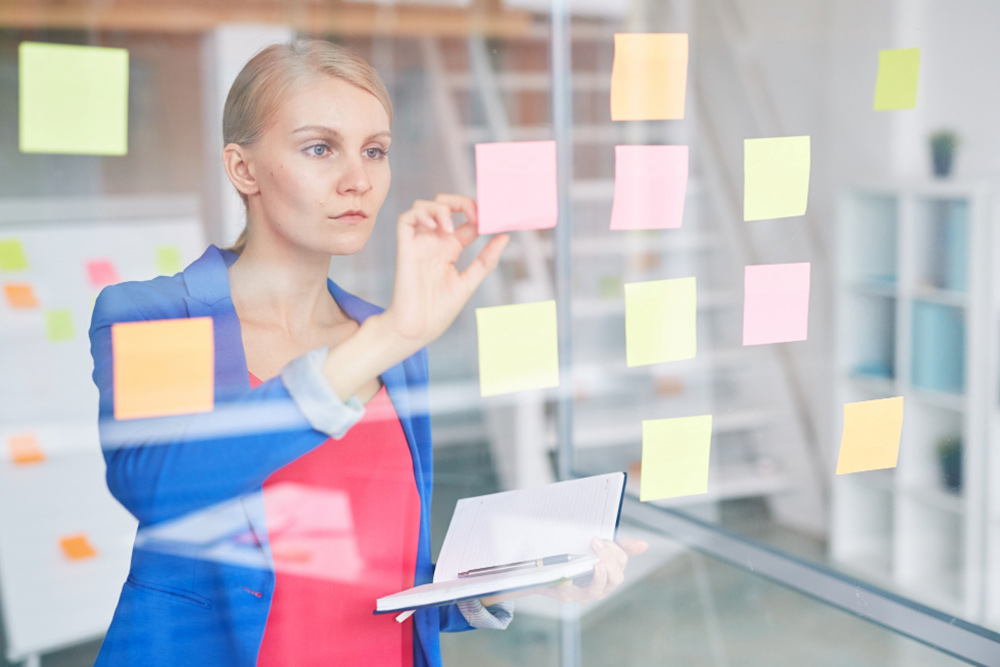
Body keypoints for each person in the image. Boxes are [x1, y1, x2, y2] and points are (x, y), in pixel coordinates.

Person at [89, 38, 647, 667]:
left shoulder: (392, 342)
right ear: (243, 170)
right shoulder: (158, 313)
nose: (357, 180)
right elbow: (161, 489)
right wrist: (388, 337)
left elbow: (383, 582)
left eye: (375, 151)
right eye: (319, 148)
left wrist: (528, 572)